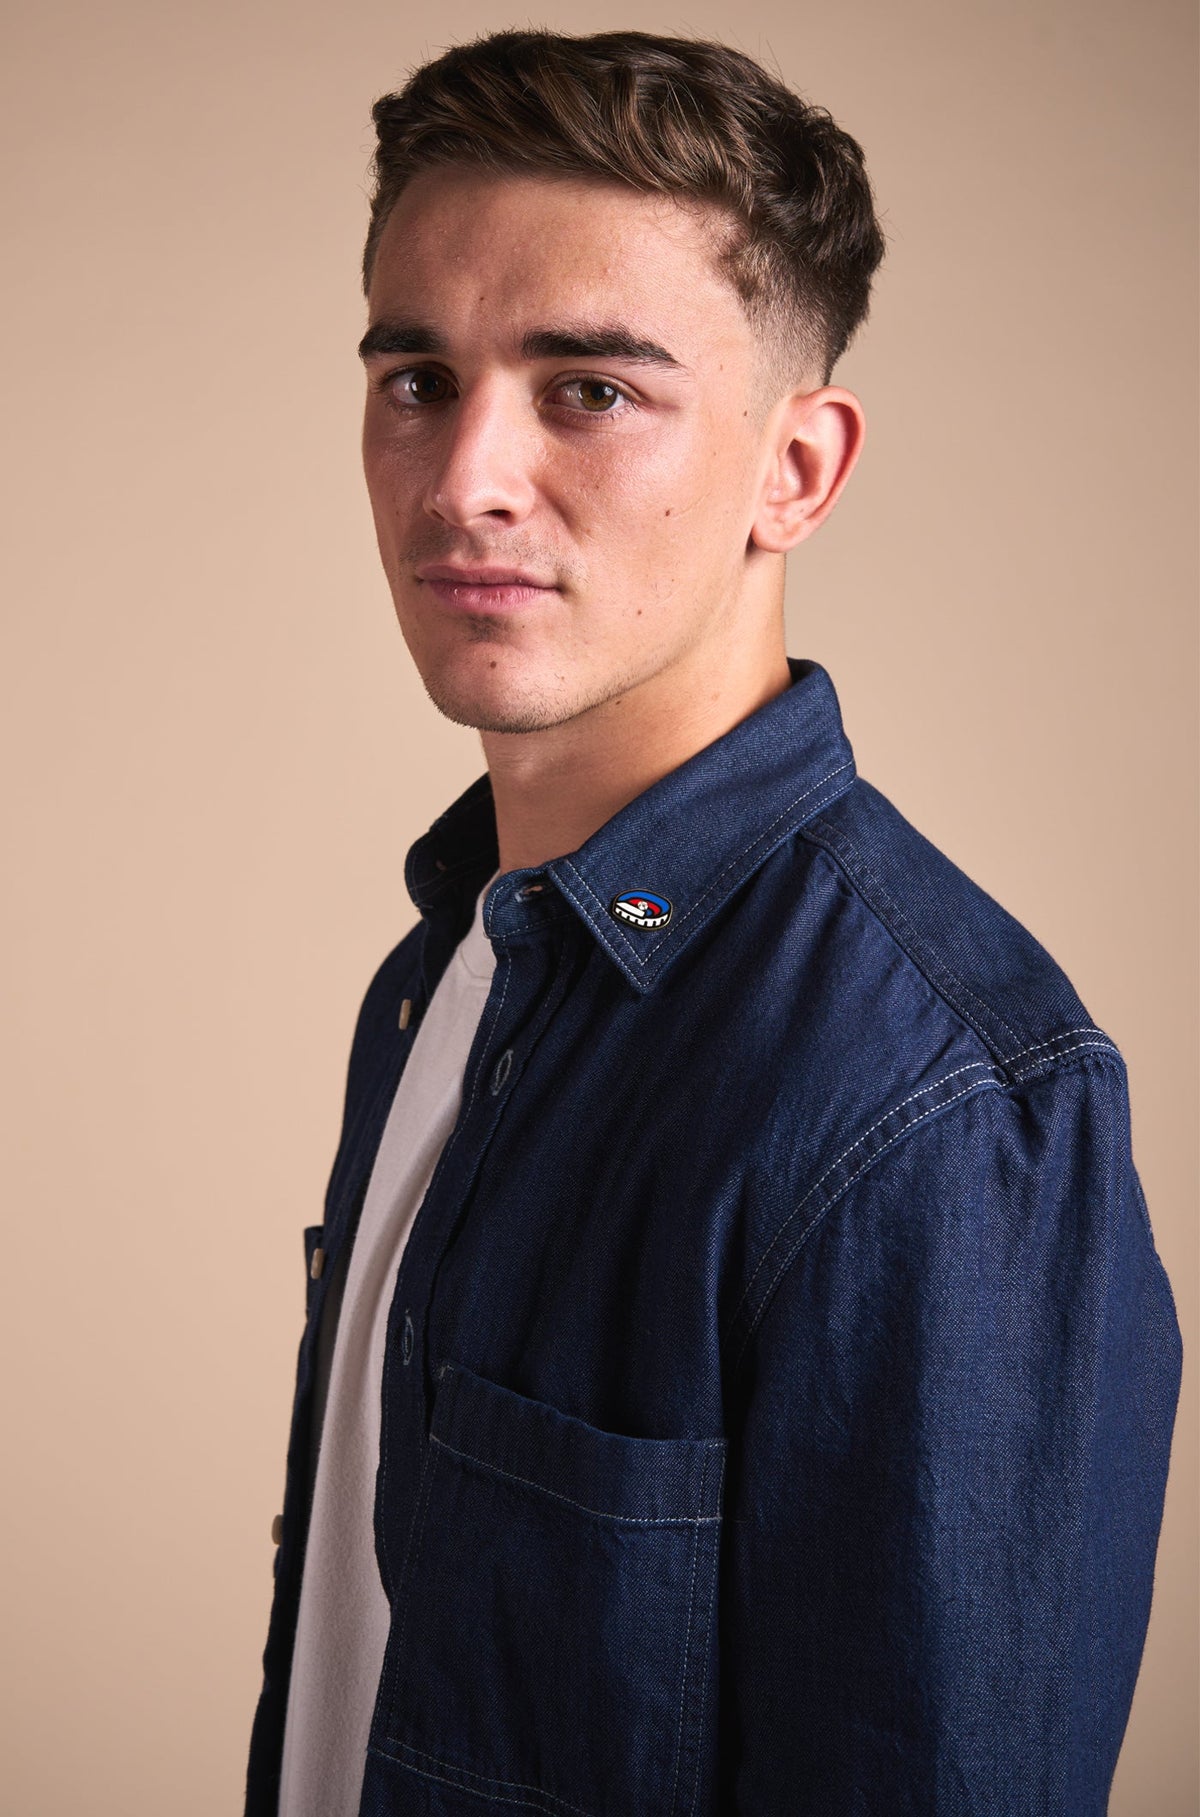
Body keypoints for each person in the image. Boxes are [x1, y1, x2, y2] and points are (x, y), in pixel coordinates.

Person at [245, 28, 1182, 1817]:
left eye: (589, 390)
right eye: (419, 379)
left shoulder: (943, 1107)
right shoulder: (442, 972)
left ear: (795, 470)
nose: (464, 479)